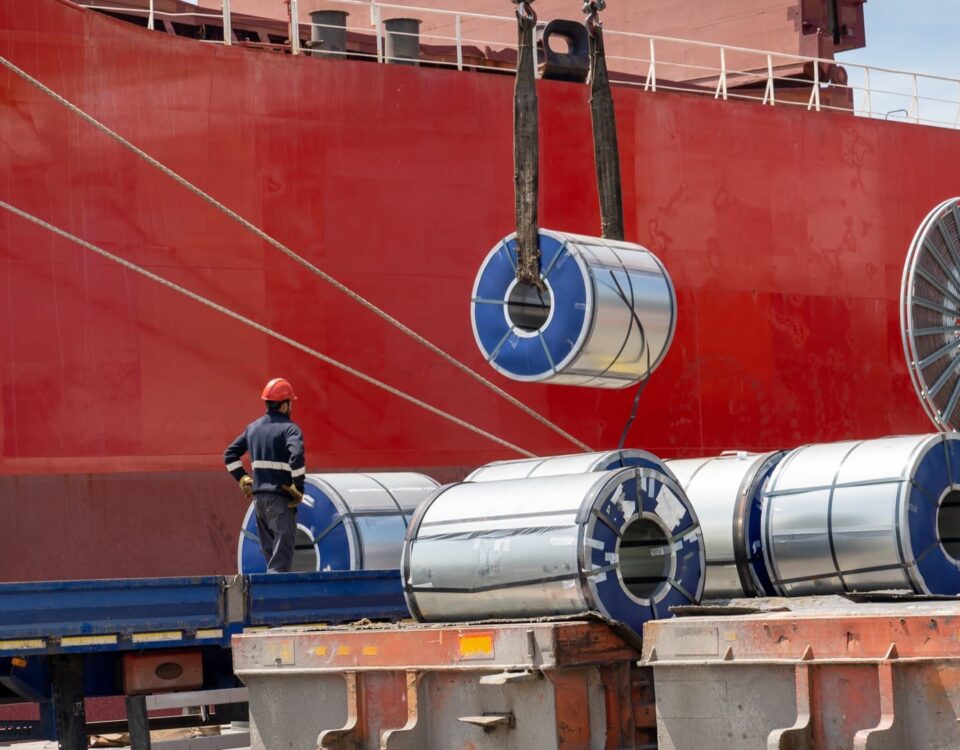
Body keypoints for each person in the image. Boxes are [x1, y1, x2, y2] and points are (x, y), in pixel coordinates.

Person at [224, 377, 306, 573]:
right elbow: (297, 457)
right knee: (281, 558)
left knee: (271, 554)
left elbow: (229, 455)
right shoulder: (290, 429)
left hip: (259, 502)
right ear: (285, 405)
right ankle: (278, 598)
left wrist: (242, 478)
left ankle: (268, 597)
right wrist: (298, 487)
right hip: (280, 500)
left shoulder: (253, 429)